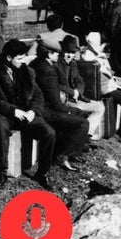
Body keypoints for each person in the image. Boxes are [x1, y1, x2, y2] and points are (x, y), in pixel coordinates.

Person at [0, 39, 56, 189]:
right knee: (0, 124)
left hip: (24, 115)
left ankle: (42, 173)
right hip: (2, 115)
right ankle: (2, 172)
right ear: (9, 58)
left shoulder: (27, 72)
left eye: (24, 57)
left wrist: (33, 111)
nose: (23, 61)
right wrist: (13, 111)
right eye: (20, 58)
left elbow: (38, 96)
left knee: (49, 132)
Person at [30, 41, 90, 171]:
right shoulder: (48, 71)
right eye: (56, 52)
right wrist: (70, 110)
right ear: (48, 54)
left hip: (40, 106)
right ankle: (60, 156)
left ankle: (72, 153)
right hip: (44, 110)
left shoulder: (37, 63)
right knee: (82, 122)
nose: (58, 55)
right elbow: (56, 104)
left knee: (78, 113)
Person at [82, 32, 121, 143]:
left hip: (106, 85)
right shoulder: (89, 56)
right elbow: (107, 73)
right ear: (96, 43)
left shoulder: (94, 54)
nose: (103, 47)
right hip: (102, 89)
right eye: (102, 44)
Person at [56, 35, 105, 140]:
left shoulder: (73, 64)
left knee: (99, 107)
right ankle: (79, 138)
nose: (70, 56)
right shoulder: (56, 64)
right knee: (78, 110)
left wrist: (78, 91)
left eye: (72, 53)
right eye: (67, 52)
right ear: (62, 51)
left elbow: (80, 80)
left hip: (75, 98)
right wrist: (71, 92)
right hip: (62, 100)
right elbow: (55, 85)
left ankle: (87, 135)